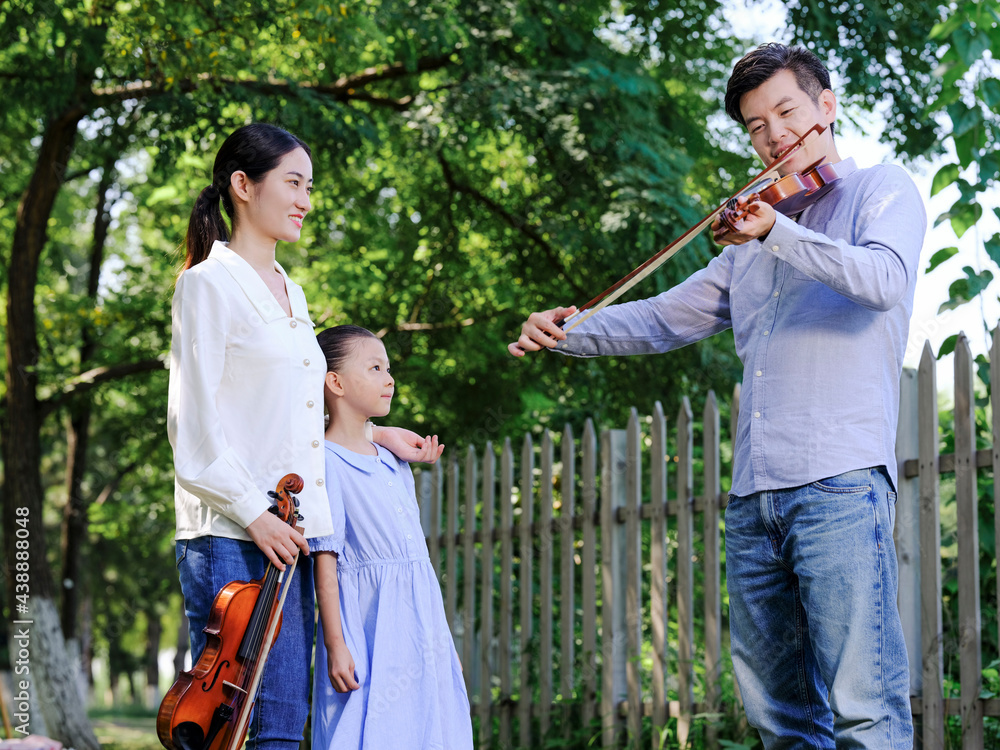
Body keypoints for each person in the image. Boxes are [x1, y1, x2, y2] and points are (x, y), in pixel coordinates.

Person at [508, 43, 923, 749]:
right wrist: (569, 331)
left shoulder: (881, 189)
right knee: (780, 720)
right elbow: (664, 316)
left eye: (786, 111)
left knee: (864, 709)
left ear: (826, 107)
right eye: (756, 126)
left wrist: (778, 232)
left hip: (840, 485)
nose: (774, 135)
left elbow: (883, 279)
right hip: (754, 497)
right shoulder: (748, 242)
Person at [167, 122, 444, 750]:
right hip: (229, 538)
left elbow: (285, 424)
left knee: (284, 726)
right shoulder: (206, 286)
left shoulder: (292, 293)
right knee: (232, 733)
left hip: (288, 535)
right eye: (293, 182)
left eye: (309, 186)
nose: (305, 201)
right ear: (243, 186)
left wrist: (374, 437)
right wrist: (254, 515)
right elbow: (192, 430)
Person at [310, 325, 473, 750]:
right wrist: (335, 644)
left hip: (419, 626)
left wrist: (441, 640)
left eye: (389, 368)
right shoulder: (325, 462)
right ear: (336, 382)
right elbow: (325, 561)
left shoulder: (393, 461)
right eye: (376, 367)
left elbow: (418, 563)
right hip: (368, 628)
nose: (390, 378)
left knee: (430, 729)